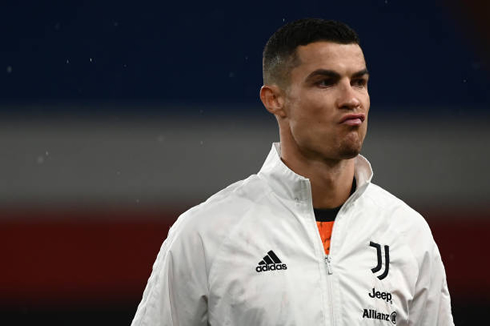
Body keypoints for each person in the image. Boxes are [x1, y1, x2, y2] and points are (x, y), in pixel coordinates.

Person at [131, 18, 454, 325]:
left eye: (359, 81)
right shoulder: (206, 233)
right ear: (275, 100)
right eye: (326, 82)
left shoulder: (407, 232)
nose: (351, 99)